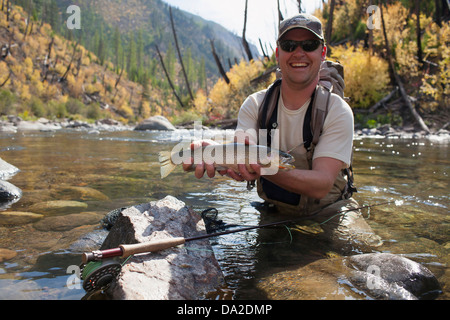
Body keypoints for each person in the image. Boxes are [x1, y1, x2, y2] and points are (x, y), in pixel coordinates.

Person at [183, 13, 382, 252]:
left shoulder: (336, 110)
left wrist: (263, 169)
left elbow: (321, 184)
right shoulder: (255, 105)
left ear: (323, 53)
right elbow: (242, 151)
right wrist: (220, 158)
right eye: (289, 45)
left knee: (364, 252)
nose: (298, 53)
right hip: (274, 210)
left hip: (331, 210)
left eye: (308, 45)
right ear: (278, 54)